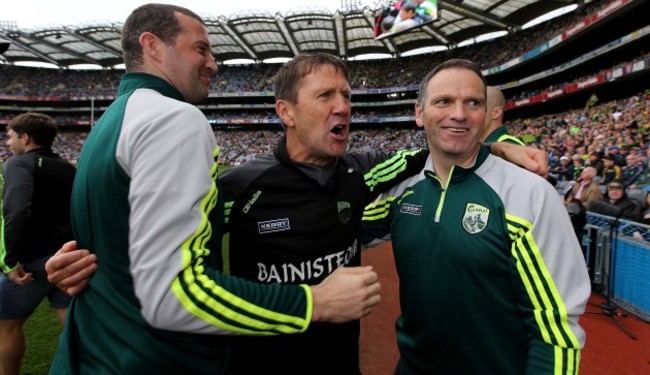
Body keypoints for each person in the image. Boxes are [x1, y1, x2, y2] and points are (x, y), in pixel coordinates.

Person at [46, 53, 550, 375]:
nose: (343, 107)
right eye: (326, 96)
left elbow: (436, 150)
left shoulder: (362, 174)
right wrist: (83, 262)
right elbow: (164, 258)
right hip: (259, 365)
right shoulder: (237, 189)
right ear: (286, 111)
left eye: (347, 96)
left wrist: (502, 148)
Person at [46, 5, 384, 374]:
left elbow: (123, 234)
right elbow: (173, 295)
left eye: (347, 96)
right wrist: (315, 302)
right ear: (153, 46)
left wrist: (79, 261)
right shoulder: (175, 119)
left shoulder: (113, 120)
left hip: (100, 353)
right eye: (201, 48)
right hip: (153, 358)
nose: (213, 63)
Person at [361, 59, 590, 374]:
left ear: (486, 114)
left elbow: (557, 333)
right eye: (444, 101)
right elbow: (338, 228)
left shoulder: (531, 195)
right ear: (419, 113)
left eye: (473, 102)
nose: (459, 113)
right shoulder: (400, 189)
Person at [0, 113, 76, 375]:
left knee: (6, 326)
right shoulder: (67, 167)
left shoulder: (18, 164)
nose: (8, 142)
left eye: (10, 136)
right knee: (72, 326)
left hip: (32, 263)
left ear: (25, 137)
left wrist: (10, 260)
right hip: (68, 258)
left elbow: (17, 210)